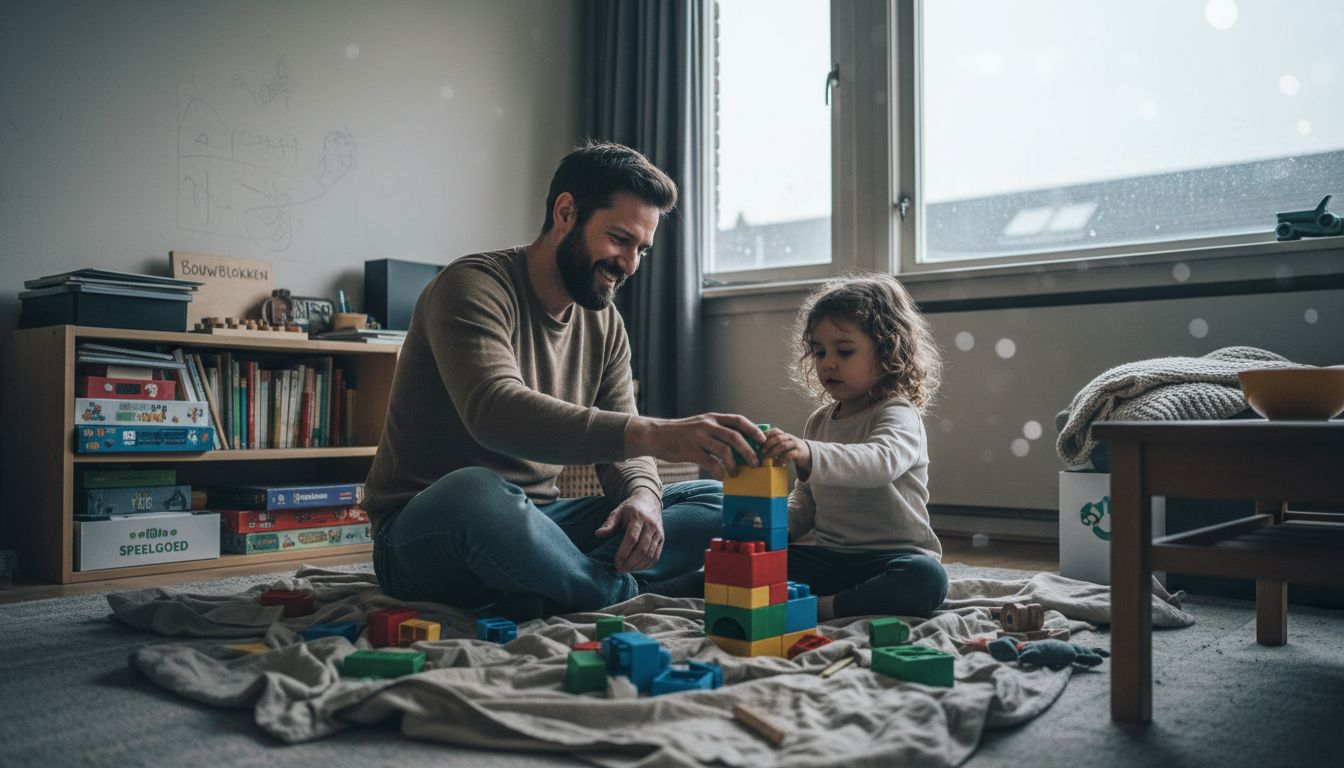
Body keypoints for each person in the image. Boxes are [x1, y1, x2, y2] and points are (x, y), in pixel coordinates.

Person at [363, 142, 765, 620]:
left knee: (717, 502)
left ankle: (552, 584)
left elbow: (623, 442)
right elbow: (494, 412)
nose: (630, 264)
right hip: (431, 529)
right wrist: (665, 435)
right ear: (566, 212)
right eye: (619, 239)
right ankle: (607, 590)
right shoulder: (469, 286)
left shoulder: (605, 324)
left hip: (542, 523)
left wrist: (643, 497)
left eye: (641, 249)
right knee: (473, 492)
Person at [758, 273, 948, 620]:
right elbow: (807, 497)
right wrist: (776, 530)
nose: (828, 362)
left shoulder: (898, 413)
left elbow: (878, 462)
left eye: (844, 351)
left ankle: (828, 608)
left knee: (927, 581)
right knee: (751, 566)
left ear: (888, 352)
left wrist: (810, 453)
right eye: (819, 351)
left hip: (894, 559)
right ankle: (671, 585)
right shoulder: (819, 421)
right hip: (831, 559)